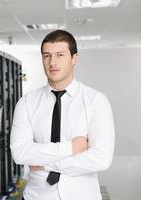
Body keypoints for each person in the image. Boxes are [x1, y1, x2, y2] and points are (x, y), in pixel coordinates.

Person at [10, 30, 115, 200]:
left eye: (60, 55)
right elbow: (20, 153)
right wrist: (71, 148)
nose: (53, 62)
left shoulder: (95, 101)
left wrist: (45, 164)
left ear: (74, 59)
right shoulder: (26, 103)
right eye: (46, 56)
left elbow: (101, 158)